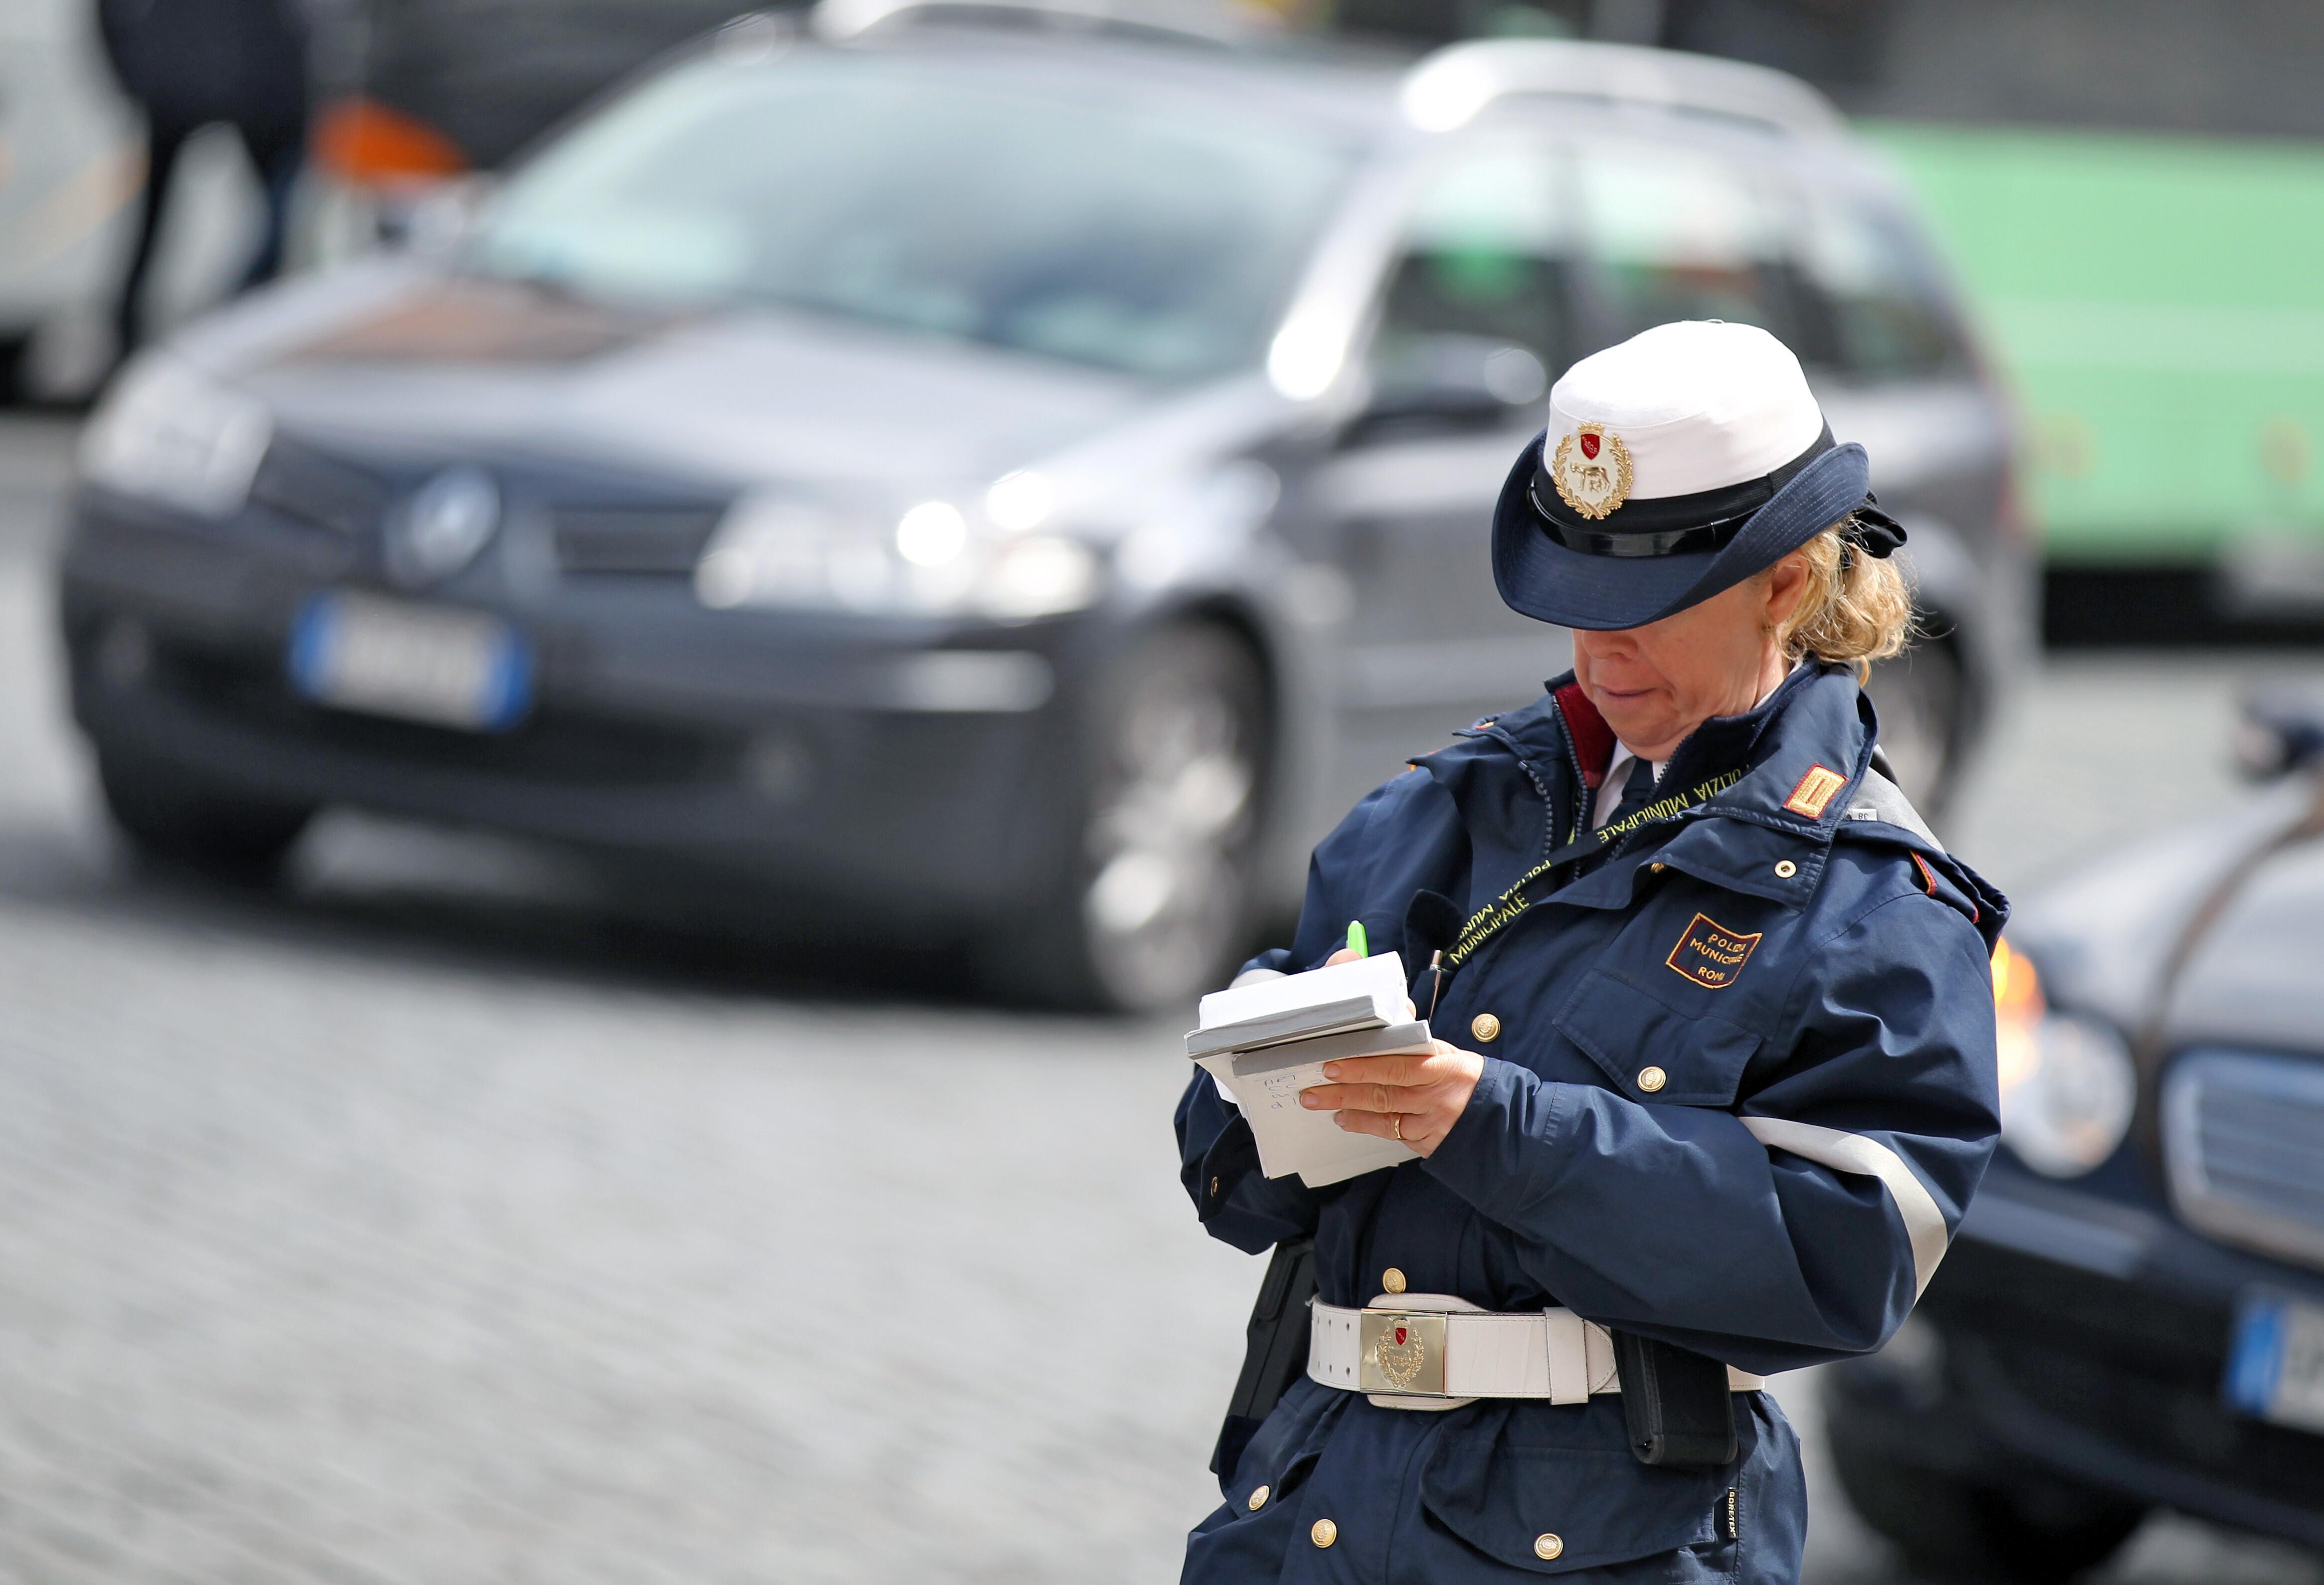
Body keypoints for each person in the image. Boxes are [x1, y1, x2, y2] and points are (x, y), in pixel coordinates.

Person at [1175, 320, 2004, 1584]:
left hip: (1605, 1542)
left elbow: (1851, 1259)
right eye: (1573, 598)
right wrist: (1258, 1075)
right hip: (1314, 1501)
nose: (1597, 651)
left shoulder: (1874, 900)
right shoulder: (1441, 806)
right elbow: (1236, 1185)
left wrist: (1491, 1127)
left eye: (1645, 609)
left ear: (1785, 582)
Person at [97, 0, 312, 356]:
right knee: (268, 224)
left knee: (272, 225)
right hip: (205, 83)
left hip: (237, 84)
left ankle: (237, 329)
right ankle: (136, 332)